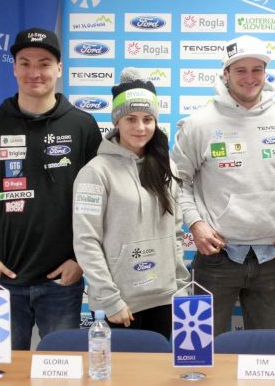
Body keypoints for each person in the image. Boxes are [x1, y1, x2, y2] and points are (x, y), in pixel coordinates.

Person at [0, 27, 102, 349]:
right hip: (1, 280)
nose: (34, 72)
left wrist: (81, 259)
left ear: (59, 68)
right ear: (13, 67)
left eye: (44, 63)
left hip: (61, 282)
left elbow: (99, 200)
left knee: (62, 372)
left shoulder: (82, 125)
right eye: (25, 63)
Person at [171, 35, 275, 336]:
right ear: (225, 73)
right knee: (200, 350)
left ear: (266, 73)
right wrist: (196, 224)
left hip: (272, 258)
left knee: (266, 355)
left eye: (257, 69)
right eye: (240, 70)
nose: (250, 78)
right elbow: (178, 182)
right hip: (217, 257)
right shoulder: (199, 123)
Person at [73, 68, 190, 339]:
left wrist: (180, 286)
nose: (140, 127)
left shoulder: (166, 166)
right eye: (131, 119)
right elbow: (86, 241)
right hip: (119, 303)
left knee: (159, 376)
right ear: (117, 121)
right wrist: (109, 299)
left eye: (148, 119)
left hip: (164, 297)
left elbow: (175, 232)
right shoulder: (95, 172)